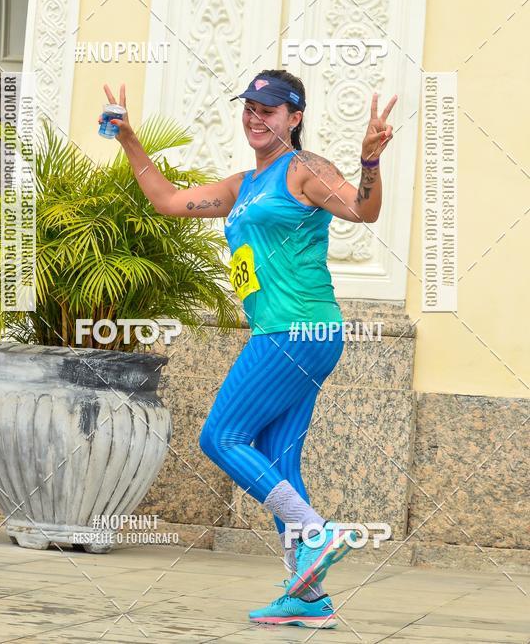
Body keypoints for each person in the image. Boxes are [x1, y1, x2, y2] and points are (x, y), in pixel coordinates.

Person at [99, 69, 396, 629]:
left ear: (294, 117)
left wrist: (371, 161)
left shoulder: (305, 170)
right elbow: (167, 200)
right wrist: (128, 139)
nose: (255, 117)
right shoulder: (243, 185)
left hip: (297, 331)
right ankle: (305, 597)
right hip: (287, 334)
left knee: (220, 436)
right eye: (250, 107)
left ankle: (316, 533)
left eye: (269, 109)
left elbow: (363, 210)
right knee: (279, 458)